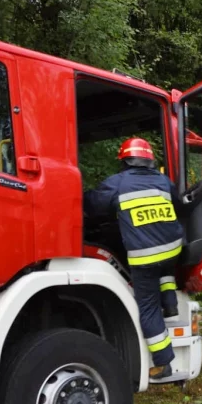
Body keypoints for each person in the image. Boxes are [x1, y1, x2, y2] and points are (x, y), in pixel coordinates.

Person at [83, 137, 185, 379]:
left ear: (125, 161)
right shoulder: (163, 180)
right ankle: (170, 302)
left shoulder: (118, 183)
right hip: (173, 247)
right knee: (164, 264)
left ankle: (163, 362)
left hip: (145, 257)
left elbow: (93, 205)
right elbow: (179, 204)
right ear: (149, 160)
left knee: (148, 309)